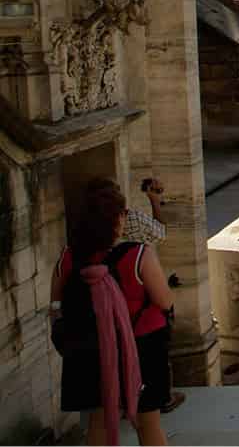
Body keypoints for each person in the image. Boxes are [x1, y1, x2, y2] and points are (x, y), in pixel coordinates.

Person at [52, 178, 175, 445]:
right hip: (142, 346)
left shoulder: (68, 257)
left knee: (99, 419)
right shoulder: (137, 255)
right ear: (117, 219)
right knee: (148, 421)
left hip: (91, 348)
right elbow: (165, 301)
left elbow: (56, 306)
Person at [122, 178, 187, 415]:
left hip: (119, 302)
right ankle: (162, 397)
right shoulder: (133, 222)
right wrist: (154, 201)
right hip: (144, 298)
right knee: (156, 351)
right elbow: (161, 232)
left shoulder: (93, 233)